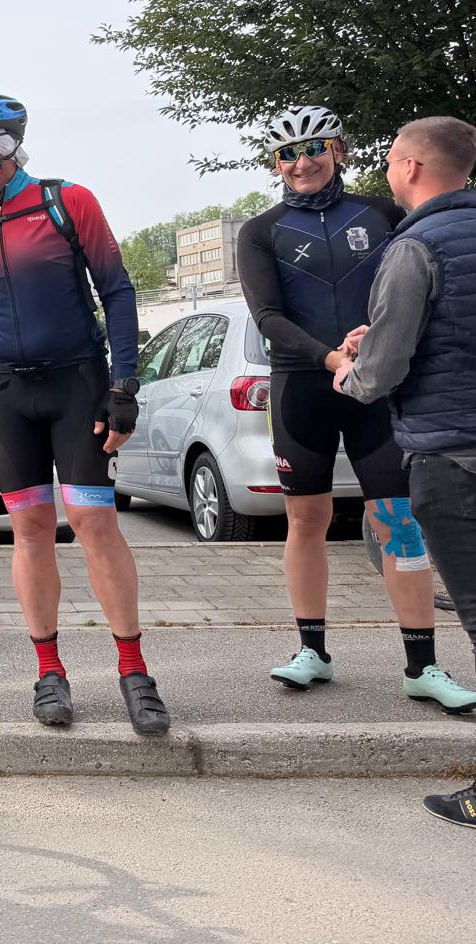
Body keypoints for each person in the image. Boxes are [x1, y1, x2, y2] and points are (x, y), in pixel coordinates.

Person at [0, 93, 169, 735]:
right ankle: (49, 672)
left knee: (94, 521)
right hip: (6, 394)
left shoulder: (68, 203)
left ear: (4, 146)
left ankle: (134, 670)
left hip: (76, 384)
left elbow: (117, 291)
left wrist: (124, 386)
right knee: (31, 528)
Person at [237, 106, 473, 710]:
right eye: (288, 154)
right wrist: (329, 359)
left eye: (314, 148)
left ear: (338, 151)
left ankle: (422, 665)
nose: (301, 162)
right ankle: (311, 651)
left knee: (398, 518)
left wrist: (367, 353)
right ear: (276, 164)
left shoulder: (383, 213)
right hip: (303, 387)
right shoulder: (259, 230)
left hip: (375, 388)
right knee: (305, 520)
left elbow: (411, 293)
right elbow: (267, 317)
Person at [331, 115, 476, 828]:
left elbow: (384, 368)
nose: (388, 170)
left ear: (412, 167)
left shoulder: (414, 246)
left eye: (391, 159)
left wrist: (350, 371)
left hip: (451, 455)